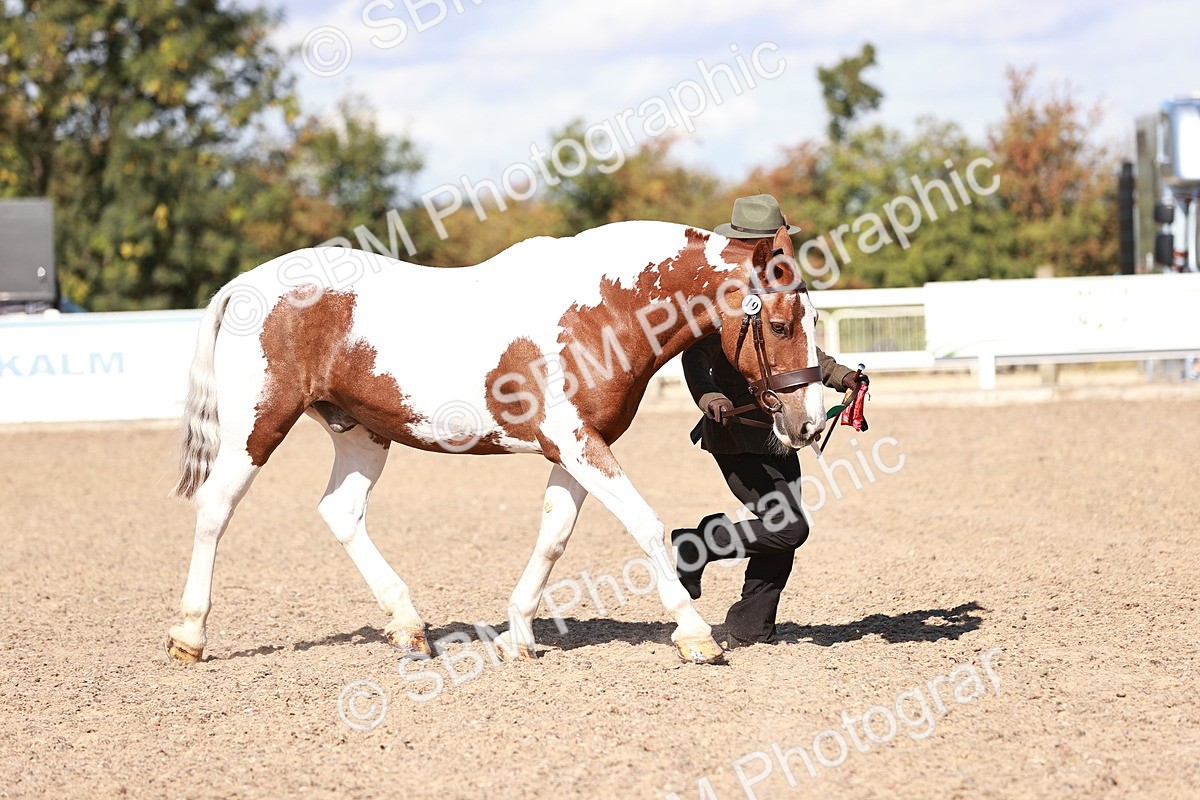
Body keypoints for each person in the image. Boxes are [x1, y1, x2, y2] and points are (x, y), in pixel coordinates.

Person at [673, 194, 867, 649]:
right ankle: (698, 544)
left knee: (782, 534)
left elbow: (797, 352)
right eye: (767, 242)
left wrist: (841, 377)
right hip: (736, 433)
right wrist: (709, 395)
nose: (776, 250)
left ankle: (749, 625)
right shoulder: (721, 294)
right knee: (788, 527)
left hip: (777, 431)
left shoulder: (782, 287)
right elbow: (694, 354)